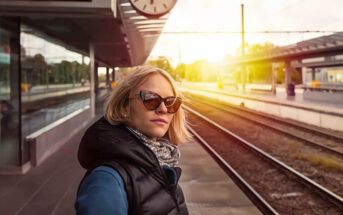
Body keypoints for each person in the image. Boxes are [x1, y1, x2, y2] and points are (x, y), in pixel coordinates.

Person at [75, 65, 192, 215]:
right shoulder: (107, 180)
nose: (163, 109)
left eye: (171, 102)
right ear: (124, 107)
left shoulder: (161, 161)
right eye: (150, 99)